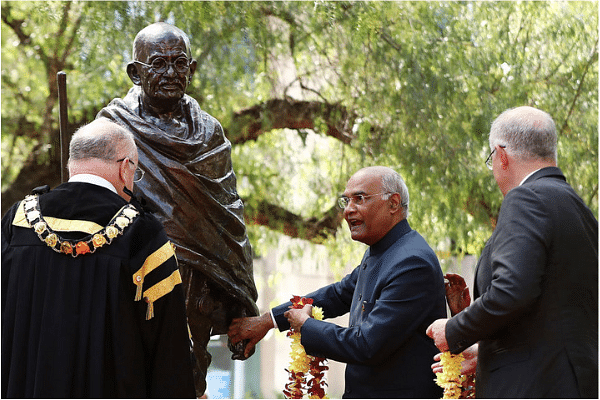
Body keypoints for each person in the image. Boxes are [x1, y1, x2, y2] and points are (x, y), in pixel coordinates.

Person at [96, 22, 259, 395]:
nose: (171, 73)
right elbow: (97, 203)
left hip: (195, 276)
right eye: (158, 64)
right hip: (132, 270)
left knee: (187, 369)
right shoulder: (112, 129)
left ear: (192, 69)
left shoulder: (209, 132)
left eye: (179, 63)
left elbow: (228, 213)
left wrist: (241, 295)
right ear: (135, 73)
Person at [1, 119, 196, 398]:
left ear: (72, 164)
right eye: (136, 172)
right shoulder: (142, 235)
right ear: (125, 167)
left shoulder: (17, 222)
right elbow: (169, 350)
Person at [228, 166, 446, 398]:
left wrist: (306, 326)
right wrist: (269, 321)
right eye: (346, 201)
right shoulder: (383, 251)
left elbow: (367, 345)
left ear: (393, 204)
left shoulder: (412, 262)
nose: (348, 210)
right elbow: (338, 295)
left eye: (359, 199)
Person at [426, 106, 598, 398]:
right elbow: (555, 309)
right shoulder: (580, 210)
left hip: (531, 386)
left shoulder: (525, 197)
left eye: (491, 159)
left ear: (501, 155)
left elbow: (511, 291)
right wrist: (488, 351)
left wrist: (454, 330)